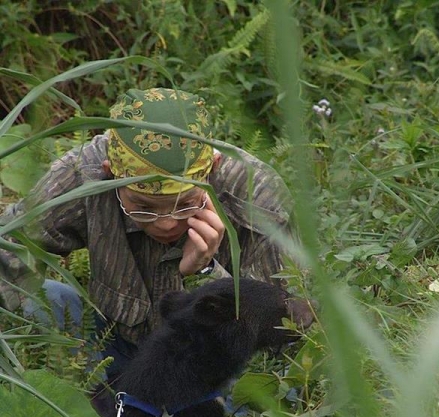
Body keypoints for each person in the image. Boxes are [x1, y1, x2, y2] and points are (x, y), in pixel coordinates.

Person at [0, 87, 292, 380]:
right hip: (113, 350)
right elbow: (9, 245)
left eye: (184, 205)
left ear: (211, 170)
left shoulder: (256, 193)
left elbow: (282, 328)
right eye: (143, 207)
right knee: (49, 299)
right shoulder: (84, 175)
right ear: (110, 174)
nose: (165, 223)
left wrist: (205, 273)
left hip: (212, 371)